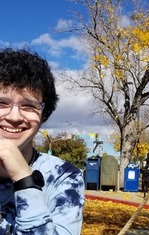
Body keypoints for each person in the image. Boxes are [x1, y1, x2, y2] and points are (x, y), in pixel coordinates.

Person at [0, 48, 85, 234]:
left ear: (43, 114)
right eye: (2, 103)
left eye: (29, 105)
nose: (15, 117)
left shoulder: (64, 176)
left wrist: (24, 180)